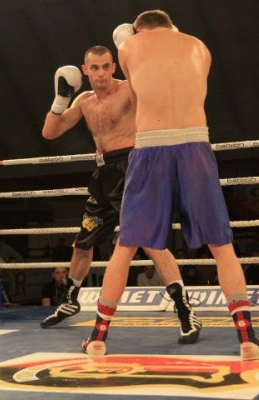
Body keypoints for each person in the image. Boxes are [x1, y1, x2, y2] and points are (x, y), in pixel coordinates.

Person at [81, 10, 259, 360]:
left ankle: (97, 338)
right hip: (194, 145)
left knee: (126, 246)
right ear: (170, 26)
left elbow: (137, 95)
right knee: (222, 246)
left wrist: (129, 41)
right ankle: (248, 340)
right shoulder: (200, 47)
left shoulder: (130, 47)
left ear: (139, 30)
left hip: (150, 147)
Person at [40, 45, 201, 344]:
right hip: (103, 175)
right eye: (94, 68)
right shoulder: (84, 100)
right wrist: (61, 99)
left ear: (113, 66)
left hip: (134, 168)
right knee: (83, 241)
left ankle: (185, 309)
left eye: (105, 66)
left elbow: (160, 100)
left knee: (151, 244)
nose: (101, 73)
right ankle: (70, 299)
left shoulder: (130, 89)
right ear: (85, 70)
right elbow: (50, 132)